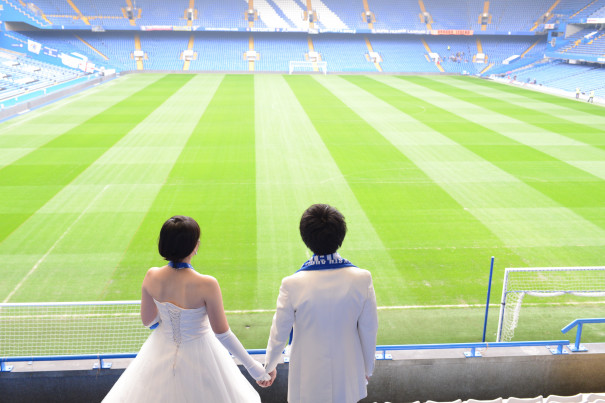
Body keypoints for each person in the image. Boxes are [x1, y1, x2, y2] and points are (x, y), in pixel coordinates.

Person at [103, 215, 267, 402]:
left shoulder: (152, 276)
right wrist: (254, 368)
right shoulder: (207, 284)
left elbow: (148, 321)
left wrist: (167, 313)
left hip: (160, 350)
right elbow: (223, 334)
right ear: (195, 246)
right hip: (202, 354)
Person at [259, 204, 379, 403]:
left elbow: (278, 332)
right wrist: (367, 368)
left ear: (306, 237)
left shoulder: (292, 284)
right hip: (347, 372)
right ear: (341, 235)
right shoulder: (362, 278)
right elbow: (369, 329)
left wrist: (269, 366)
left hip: (307, 375)